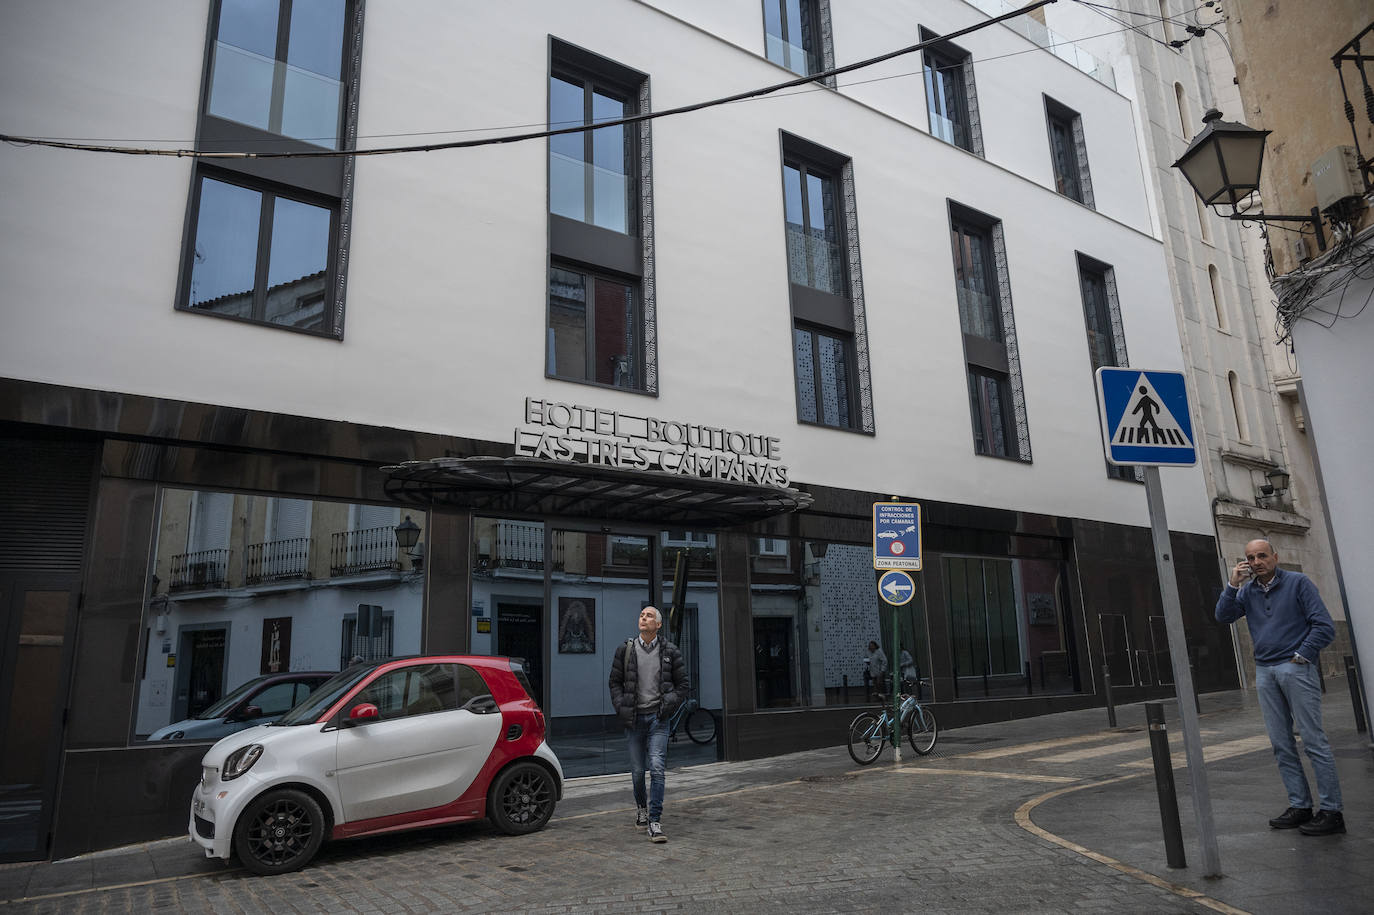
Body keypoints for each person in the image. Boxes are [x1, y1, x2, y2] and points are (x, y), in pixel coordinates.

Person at [1215, 538, 1345, 836]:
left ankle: (1332, 811)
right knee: (1281, 744)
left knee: (1314, 742)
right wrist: (1232, 585)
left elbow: (1324, 625)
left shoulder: (1299, 583)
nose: (1257, 561)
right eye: (1250, 557)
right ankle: (1300, 806)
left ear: (1275, 556)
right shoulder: (1247, 591)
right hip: (1265, 672)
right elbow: (1223, 616)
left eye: (1262, 555)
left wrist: (1302, 655)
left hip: (1295, 668)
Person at [608, 605, 689, 843]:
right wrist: (621, 706)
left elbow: (683, 685)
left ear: (659, 625)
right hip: (634, 720)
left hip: (658, 719)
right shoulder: (626, 649)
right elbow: (614, 682)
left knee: (656, 767)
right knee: (636, 772)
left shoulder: (670, 651)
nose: (644, 618)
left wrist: (668, 705)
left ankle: (655, 821)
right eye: (642, 615)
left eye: (649, 615)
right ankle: (641, 807)